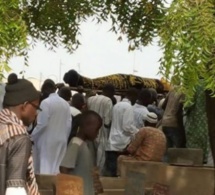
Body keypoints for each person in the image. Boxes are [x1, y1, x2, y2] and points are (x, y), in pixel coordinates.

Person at [0, 74, 40, 195]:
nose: (36, 113)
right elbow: (14, 189)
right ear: (24, 106)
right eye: (36, 107)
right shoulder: (19, 137)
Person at [32, 79, 71, 174]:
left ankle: (45, 188)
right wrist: (64, 137)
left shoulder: (46, 103)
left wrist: (31, 136)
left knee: (45, 169)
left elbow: (42, 124)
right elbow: (68, 124)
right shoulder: (66, 104)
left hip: (47, 141)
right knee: (56, 170)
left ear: (45, 90)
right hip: (61, 140)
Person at [60, 111, 102, 195]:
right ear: (87, 125)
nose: (98, 133)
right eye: (97, 129)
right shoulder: (76, 144)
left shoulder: (87, 145)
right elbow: (64, 168)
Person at [105, 88, 139, 177]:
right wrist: (137, 131)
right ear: (133, 96)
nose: (136, 101)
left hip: (112, 141)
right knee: (118, 172)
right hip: (122, 142)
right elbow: (127, 126)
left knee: (111, 172)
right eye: (136, 98)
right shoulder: (128, 107)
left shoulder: (117, 105)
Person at [87, 84, 115, 174]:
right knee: (100, 160)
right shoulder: (108, 101)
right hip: (101, 133)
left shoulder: (90, 99)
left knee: (90, 158)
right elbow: (107, 122)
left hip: (89, 132)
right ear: (110, 92)